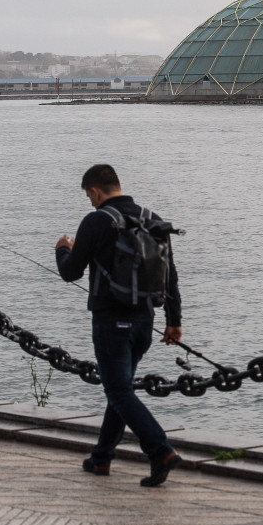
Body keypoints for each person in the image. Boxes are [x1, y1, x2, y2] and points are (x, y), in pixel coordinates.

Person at [55, 164, 183, 487]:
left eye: (88, 196)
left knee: (119, 391)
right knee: (119, 389)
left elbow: (71, 272)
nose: (89, 202)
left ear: (95, 191)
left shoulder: (96, 220)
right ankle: (101, 459)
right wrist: (174, 321)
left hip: (111, 323)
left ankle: (160, 450)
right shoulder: (151, 218)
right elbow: (170, 275)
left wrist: (62, 250)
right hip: (144, 323)